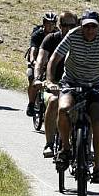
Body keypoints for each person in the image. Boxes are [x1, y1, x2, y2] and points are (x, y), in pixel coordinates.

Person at [46, 10, 99, 184]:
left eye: (93, 26)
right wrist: (51, 81)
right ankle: (66, 148)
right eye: (86, 26)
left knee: (97, 120)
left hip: (97, 86)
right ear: (81, 26)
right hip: (71, 82)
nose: (90, 30)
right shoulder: (73, 35)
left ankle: (97, 168)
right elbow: (54, 59)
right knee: (63, 109)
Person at [35, 11, 79, 158]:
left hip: (73, 85)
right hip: (53, 84)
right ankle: (48, 143)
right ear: (59, 26)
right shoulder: (50, 39)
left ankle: (83, 144)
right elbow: (41, 60)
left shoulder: (81, 40)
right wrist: (39, 79)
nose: (69, 28)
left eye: (72, 25)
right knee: (54, 102)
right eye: (65, 25)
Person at [26, 12, 58, 116]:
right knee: (32, 78)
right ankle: (31, 104)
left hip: (51, 63)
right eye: (48, 23)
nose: (50, 26)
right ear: (44, 23)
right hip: (37, 62)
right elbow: (33, 50)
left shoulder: (57, 35)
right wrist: (33, 61)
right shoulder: (37, 34)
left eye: (53, 24)